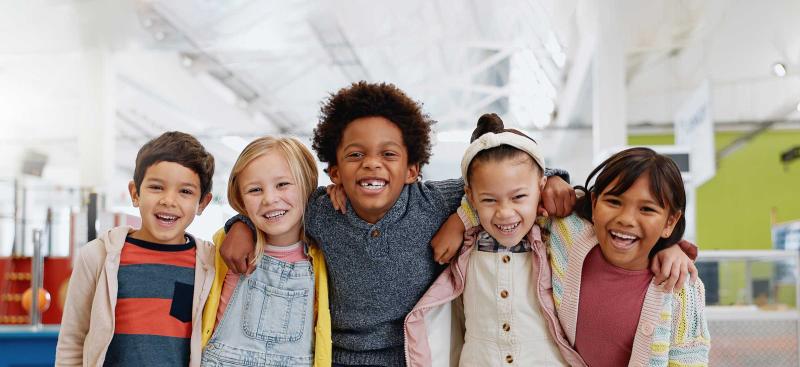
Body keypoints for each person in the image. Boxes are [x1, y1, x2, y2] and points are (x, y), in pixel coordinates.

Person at [219, 82, 576, 366]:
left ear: (412, 170)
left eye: (388, 154)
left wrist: (556, 178)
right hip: (336, 357)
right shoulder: (321, 210)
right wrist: (242, 226)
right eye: (355, 155)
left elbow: (495, 180)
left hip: (416, 356)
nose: (372, 164)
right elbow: (279, 208)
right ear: (335, 172)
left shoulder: (433, 202)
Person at [55, 132, 216, 366]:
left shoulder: (210, 264)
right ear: (135, 193)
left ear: (202, 203)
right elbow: (72, 340)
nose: (169, 200)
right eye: (157, 187)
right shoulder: (97, 257)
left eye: (185, 192)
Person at [544, 147, 710, 366]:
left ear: (670, 222)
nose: (626, 219)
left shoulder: (682, 287)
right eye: (614, 202)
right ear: (594, 203)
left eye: (647, 209)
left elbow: (690, 358)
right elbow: (507, 193)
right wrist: (550, 178)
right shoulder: (568, 235)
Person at [200, 136, 331, 366]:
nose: (270, 199)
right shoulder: (225, 245)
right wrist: (240, 223)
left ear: (308, 182)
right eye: (255, 190)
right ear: (240, 198)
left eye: (282, 184)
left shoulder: (325, 253)